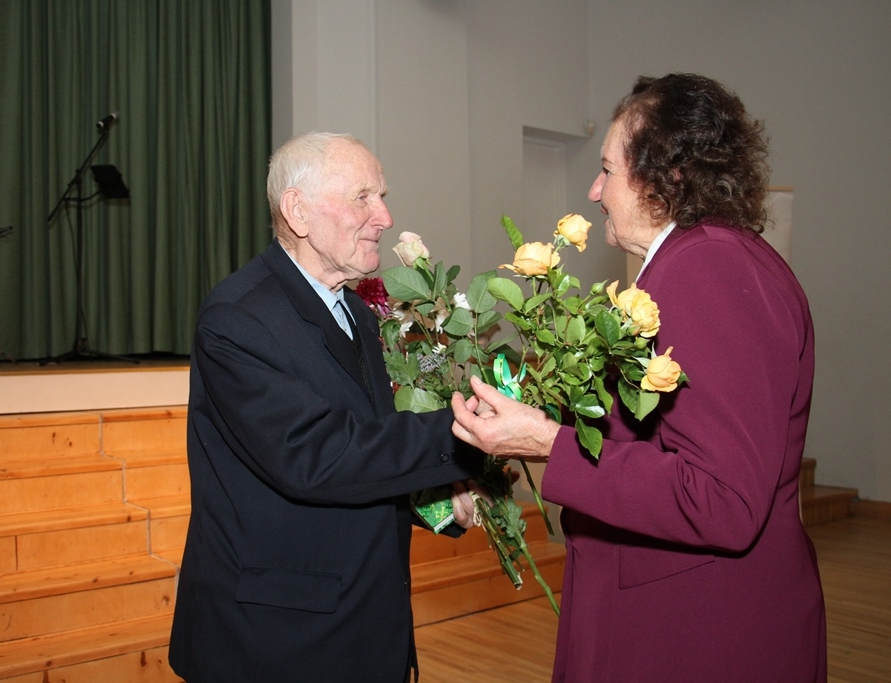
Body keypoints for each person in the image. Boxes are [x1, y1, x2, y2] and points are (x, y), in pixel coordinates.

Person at [451, 73, 826, 682]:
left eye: (608, 169)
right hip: (678, 606)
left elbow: (724, 500)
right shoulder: (711, 258)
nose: (595, 189)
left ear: (667, 176)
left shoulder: (707, 268)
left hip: (697, 630)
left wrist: (549, 444)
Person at [169, 132, 484, 683]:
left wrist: (435, 503)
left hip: (361, 629)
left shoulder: (358, 315)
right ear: (297, 211)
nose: (384, 216)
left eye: (382, 195)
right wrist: (470, 431)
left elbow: (367, 450)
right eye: (362, 196)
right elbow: (316, 457)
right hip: (276, 642)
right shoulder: (238, 318)